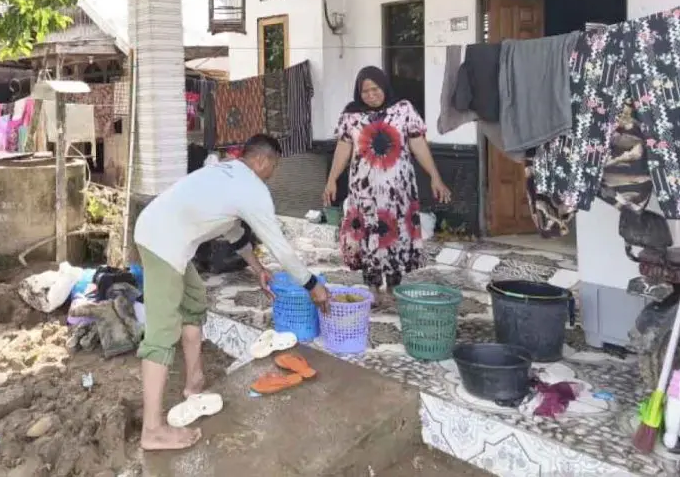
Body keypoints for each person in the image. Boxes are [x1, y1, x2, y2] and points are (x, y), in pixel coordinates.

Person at [133, 133, 330, 451]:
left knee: (194, 299)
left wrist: (257, 268)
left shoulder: (224, 172)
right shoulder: (252, 188)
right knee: (161, 334)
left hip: (164, 236)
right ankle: (152, 430)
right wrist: (312, 285)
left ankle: (194, 381)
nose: (272, 174)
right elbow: (281, 247)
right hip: (163, 244)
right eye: (274, 167)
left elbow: (233, 231)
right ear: (265, 160)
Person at [322, 66, 451, 291]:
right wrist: (331, 179)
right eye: (365, 91)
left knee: (396, 237)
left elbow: (419, 145)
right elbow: (343, 149)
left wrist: (435, 178)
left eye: (375, 89)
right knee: (366, 236)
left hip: (398, 194)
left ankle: (393, 286)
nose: (371, 95)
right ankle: (372, 287)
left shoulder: (403, 110)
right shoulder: (351, 116)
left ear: (384, 86)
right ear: (358, 93)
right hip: (364, 194)